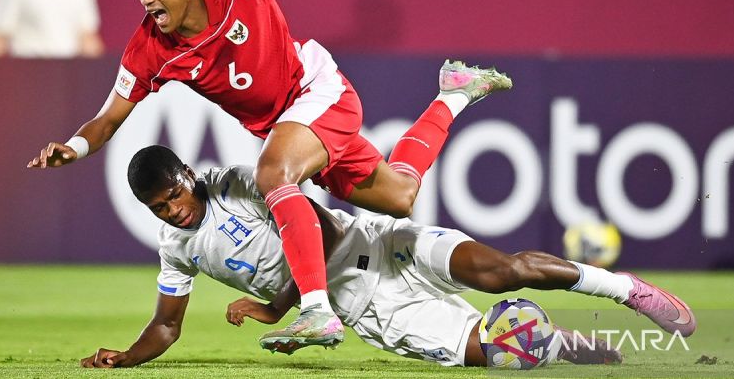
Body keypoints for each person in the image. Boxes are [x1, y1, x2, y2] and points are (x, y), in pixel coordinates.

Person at [27, 0, 512, 348]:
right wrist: (73, 147)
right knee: (398, 197)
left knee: (272, 175)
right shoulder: (148, 47)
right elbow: (109, 118)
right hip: (287, 127)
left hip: (316, 93)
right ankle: (452, 93)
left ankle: (317, 311)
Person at [79, 145, 657, 368]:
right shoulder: (176, 248)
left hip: (381, 243)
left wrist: (276, 308)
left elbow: (323, 230)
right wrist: (128, 358)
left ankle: (624, 289)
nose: (173, 211)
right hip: (370, 306)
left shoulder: (238, 183)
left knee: (506, 267)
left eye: (173, 195)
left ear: (186, 175)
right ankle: (606, 357)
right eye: (159, 208)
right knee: (511, 351)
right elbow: (166, 322)